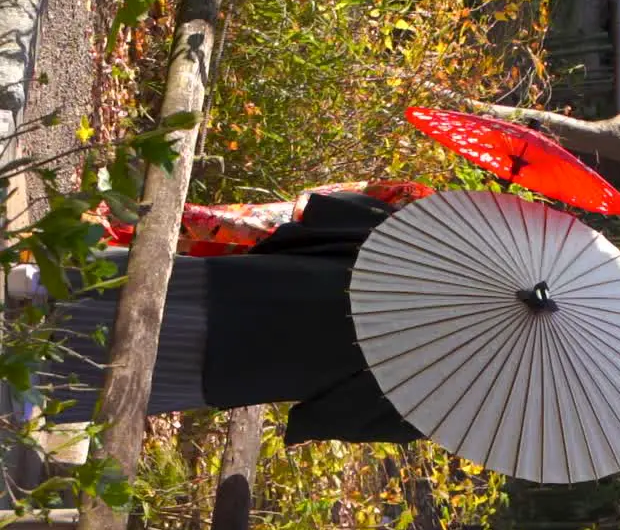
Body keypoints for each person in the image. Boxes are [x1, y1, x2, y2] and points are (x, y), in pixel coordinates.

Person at [18, 190, 431, 446]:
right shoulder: (449, 384)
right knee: (163, 364)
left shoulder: (454, 258)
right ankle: (36, 379)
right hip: (269, 363)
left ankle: (43, 283)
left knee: (173, 285)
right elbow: (346, 416)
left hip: (286, 282)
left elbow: (341, 216)